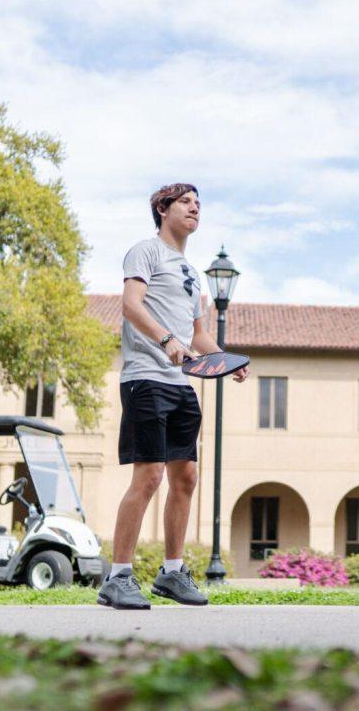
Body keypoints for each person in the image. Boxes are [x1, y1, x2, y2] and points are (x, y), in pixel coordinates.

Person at [98, 183, 248, 610]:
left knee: (186, 477)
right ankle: (118, 576)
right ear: (163, 209)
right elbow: (130, 305)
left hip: (182, 385)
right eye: (186, 202)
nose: (195, 208)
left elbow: (199, 336)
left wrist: (227, 361)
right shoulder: (144, 251)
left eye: (198, 204)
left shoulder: (193, 274)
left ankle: (171, 572)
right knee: (149, 476)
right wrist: (165, 339)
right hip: (145, 378)